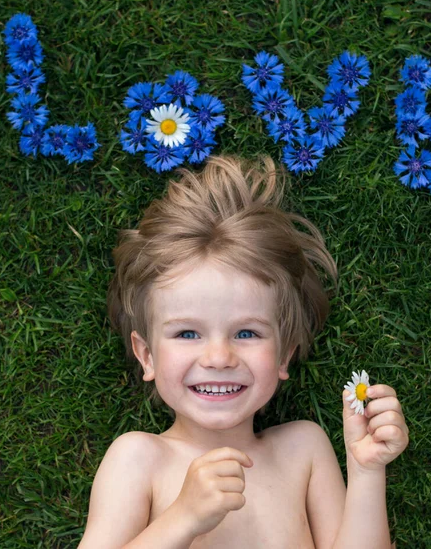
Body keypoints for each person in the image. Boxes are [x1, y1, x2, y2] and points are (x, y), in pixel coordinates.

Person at [78, 155, 409, 549]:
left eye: (247, 332)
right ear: (146, 356)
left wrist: (366, 472)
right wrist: (182, 519)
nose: (219, 357)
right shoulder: (138, 458)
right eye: (187, 333)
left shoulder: (302, 450)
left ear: (284, 354)